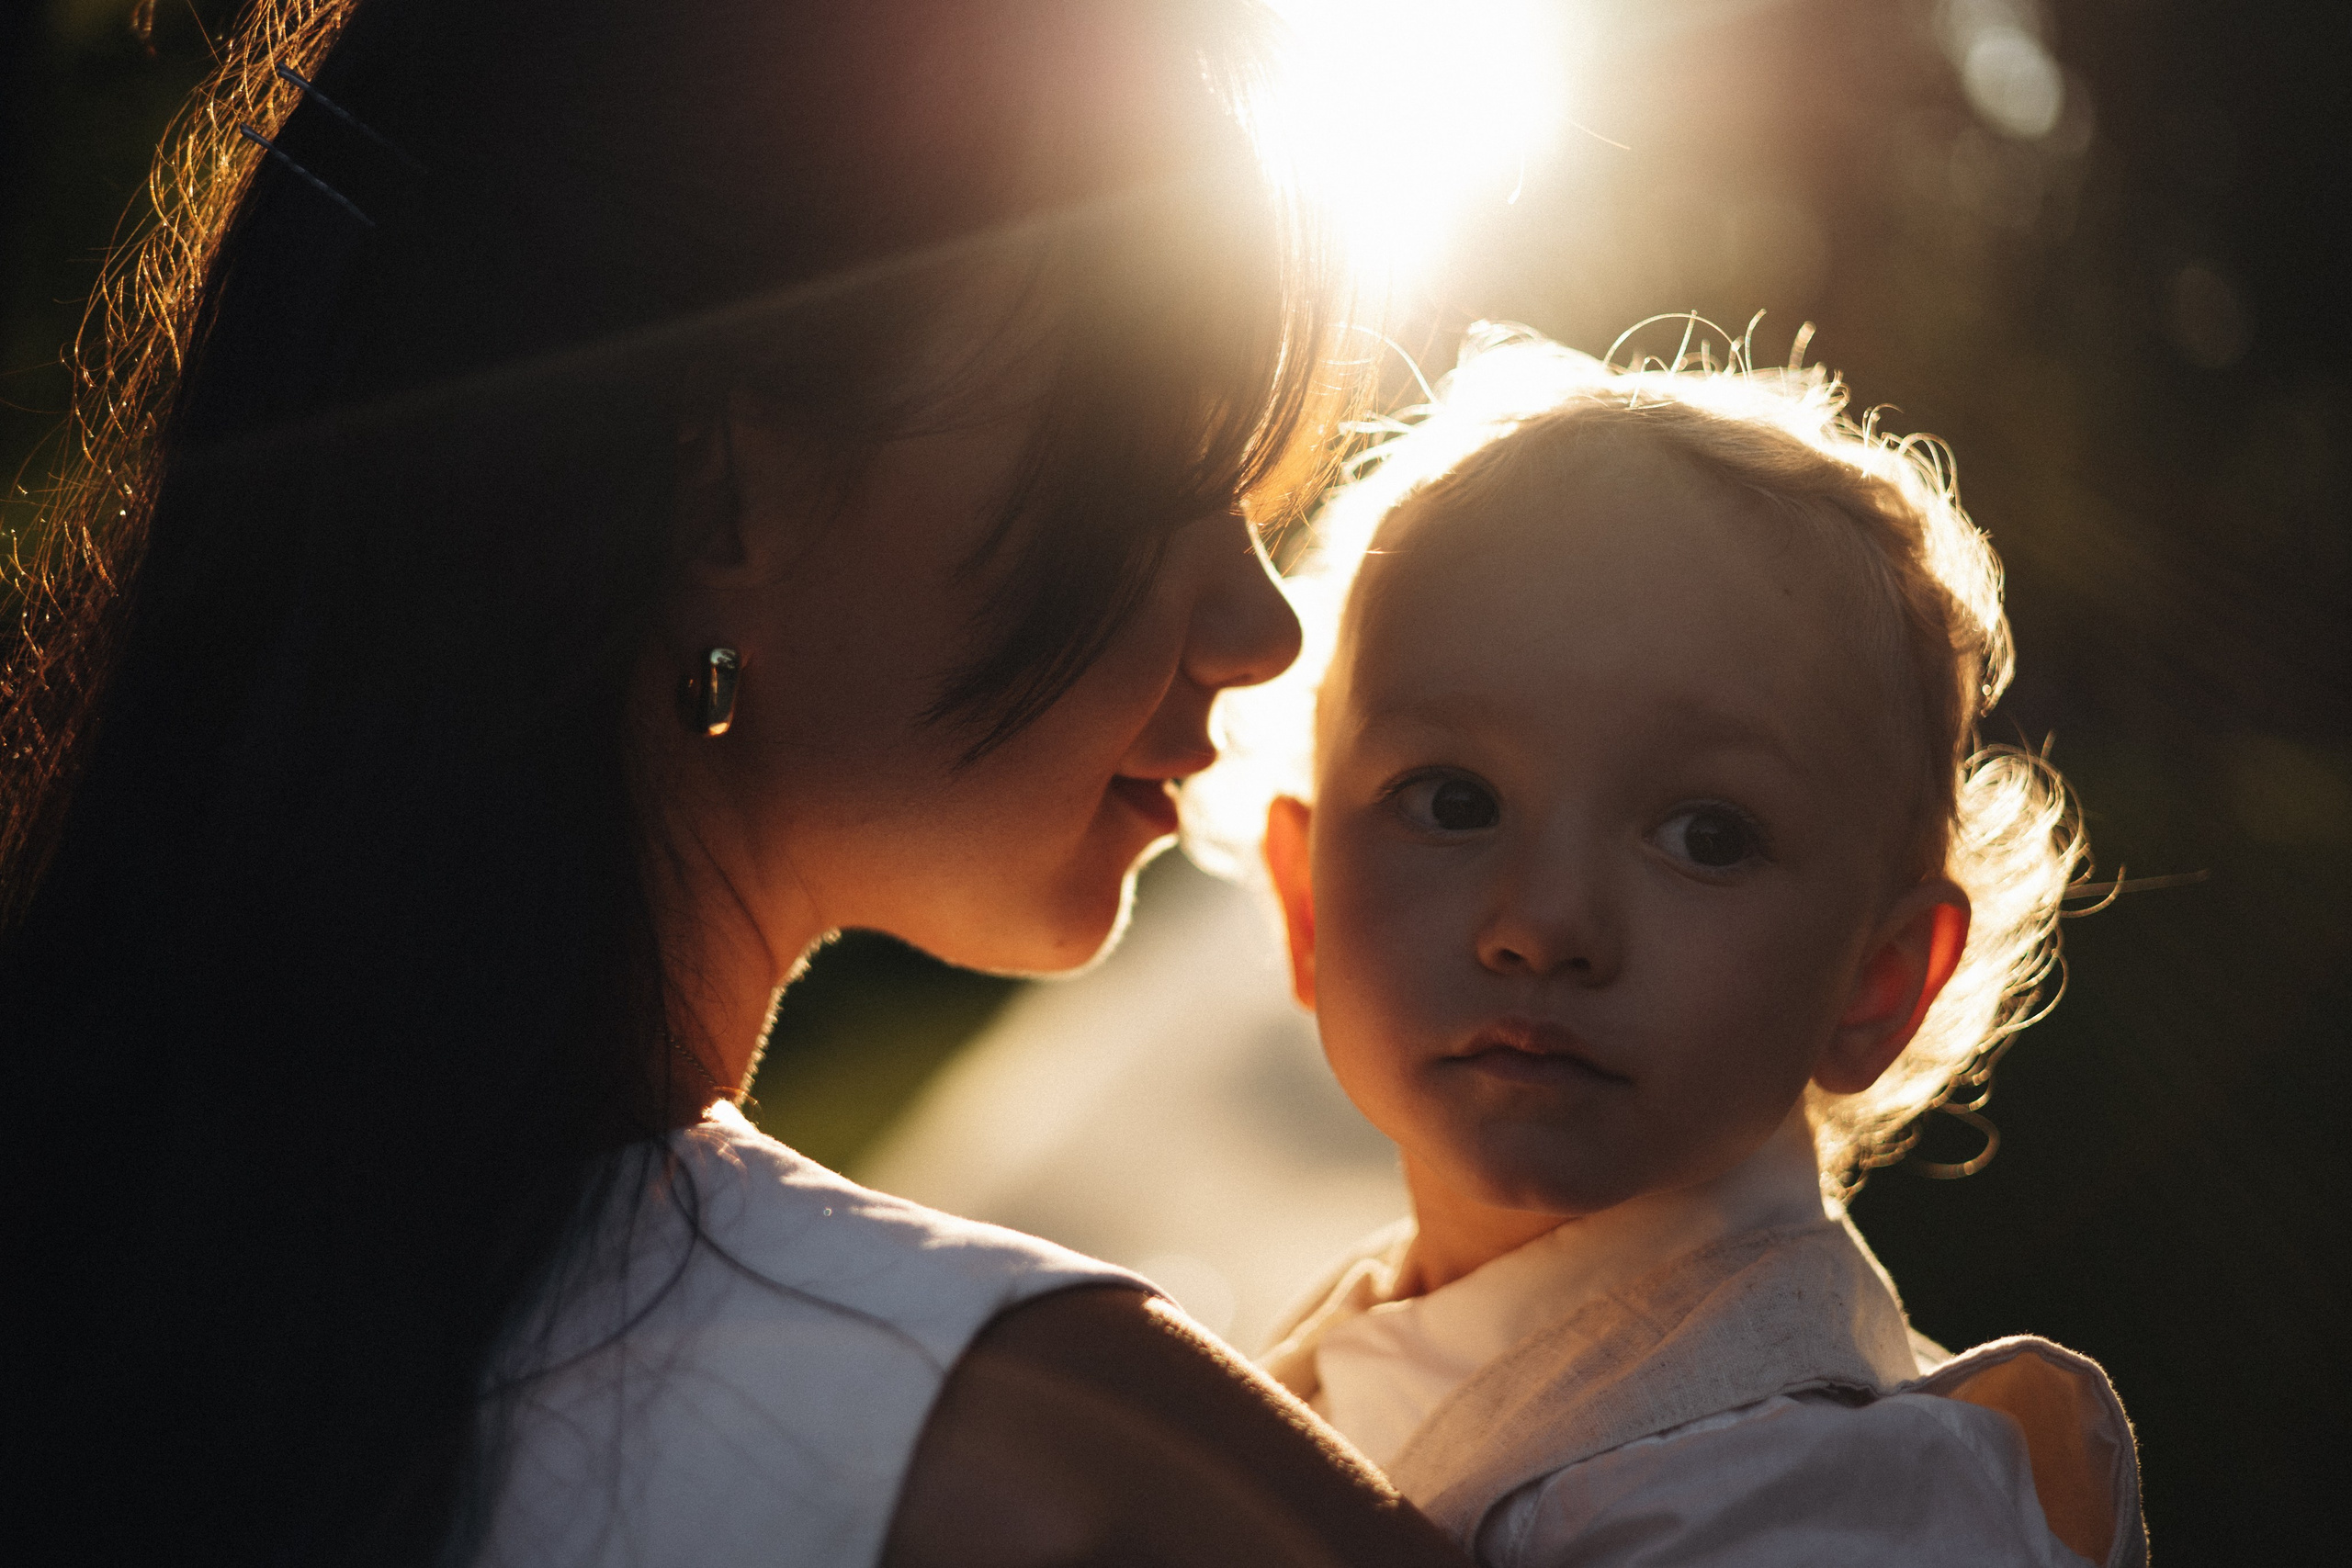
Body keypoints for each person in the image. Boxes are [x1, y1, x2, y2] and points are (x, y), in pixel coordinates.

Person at [0, 2, 1470, 1564]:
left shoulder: (107, 1240)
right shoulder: (1050, 1462)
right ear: (722, 504)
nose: (1262, 628)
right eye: (1159, 482)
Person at [1210, 325, 2148, 1565]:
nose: (1545, 923)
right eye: (1453, 801)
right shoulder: (1362, 1349)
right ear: (1308, 902)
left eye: (1707, 834)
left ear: (1876, 982)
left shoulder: (1823, 1506)